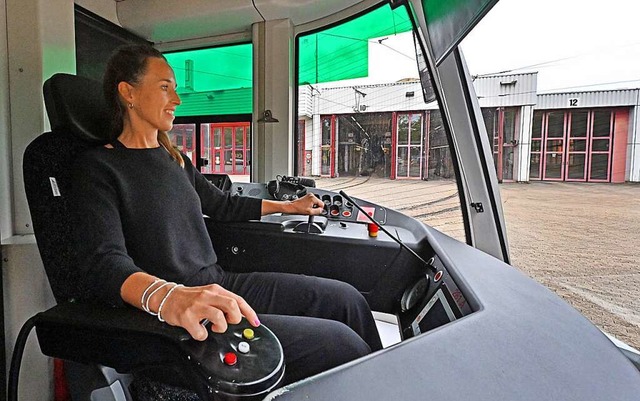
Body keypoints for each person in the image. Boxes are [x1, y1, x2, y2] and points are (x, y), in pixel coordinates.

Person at [69, 44, 382, 395]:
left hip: (219, 283)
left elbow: (222, 205)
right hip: (180, 314)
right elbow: (104, 262)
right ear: (128, 92)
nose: (177, 99)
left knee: (346, 299)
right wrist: (169, 296)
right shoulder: (97, 168)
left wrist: (287, 208)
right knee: (339, 344)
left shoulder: (175, 160)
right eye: (164, 87)